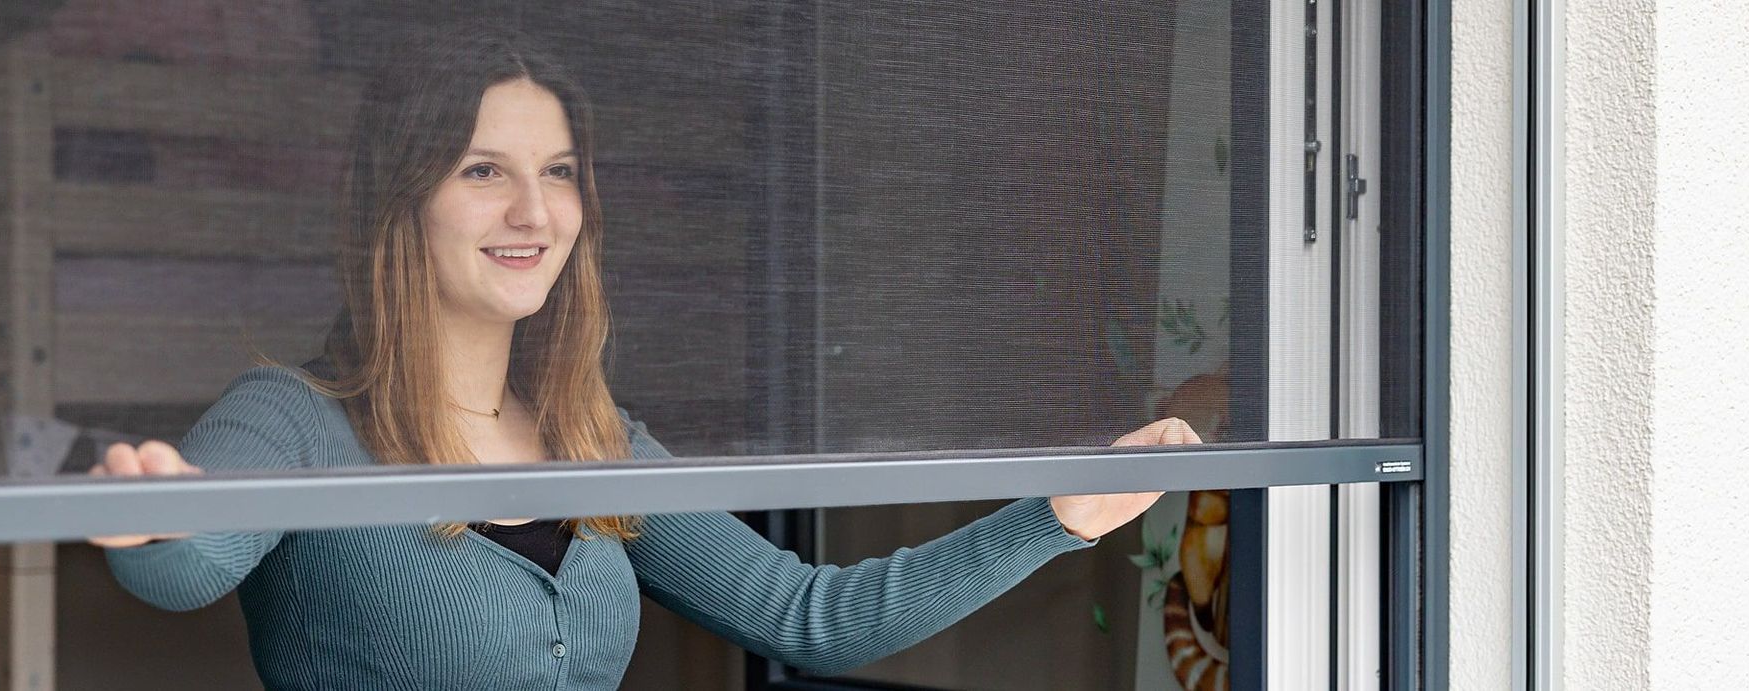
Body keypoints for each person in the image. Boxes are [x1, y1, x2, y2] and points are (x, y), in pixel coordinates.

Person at [90, 31, 1202, 690]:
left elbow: (813, 615)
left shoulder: (593, 437)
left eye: (560, 170)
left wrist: (1059, 515)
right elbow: (186, 562)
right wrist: (152, 513)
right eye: (484, 169)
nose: (534, 209)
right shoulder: (292, 419)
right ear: (401, 196)